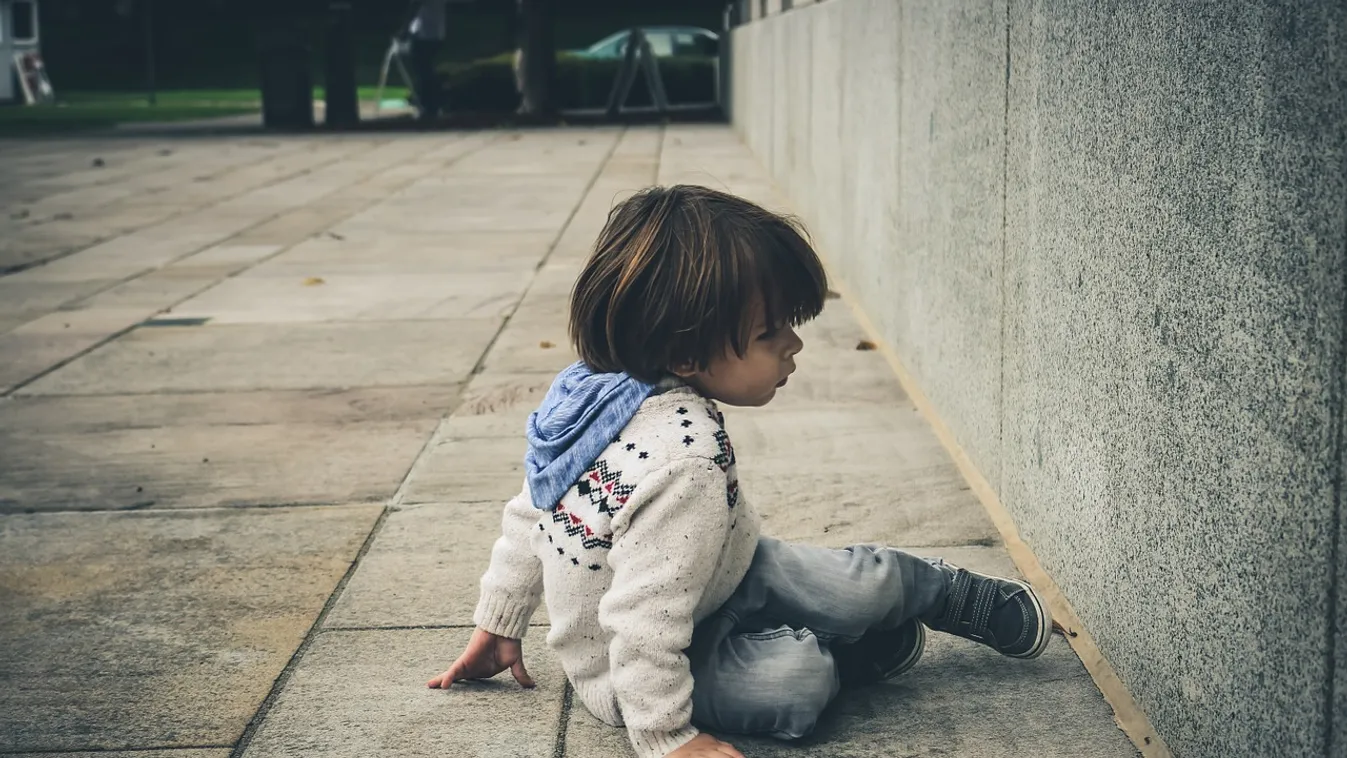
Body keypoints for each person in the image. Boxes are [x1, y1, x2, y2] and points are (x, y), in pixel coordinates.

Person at [427, 186, 1053, 758]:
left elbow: (526, 512)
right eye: (768, 332)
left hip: (725, 568)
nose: (793, 345)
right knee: (795, 686)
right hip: (630, 664)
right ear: (685, 351)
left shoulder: (594, 392)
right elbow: (632, 611)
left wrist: (496, 623)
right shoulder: (682, 463)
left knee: (854, 585)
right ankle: (850, 646)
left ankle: (938, 592)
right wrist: (668, 739)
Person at [405, 0, 447, 122]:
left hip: (425, 33)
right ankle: (432, 105)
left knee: (423, 70)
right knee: (426, 69)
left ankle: (427, 105)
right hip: (435, 32)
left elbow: (414, 5)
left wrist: (404, 27)